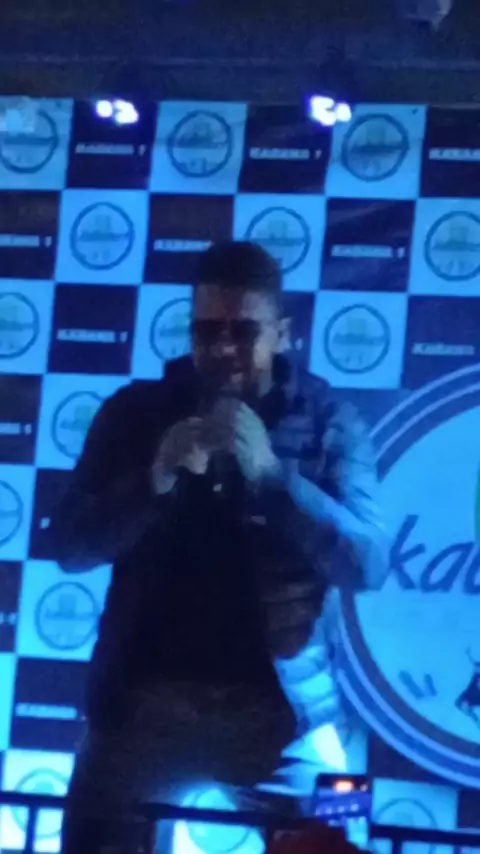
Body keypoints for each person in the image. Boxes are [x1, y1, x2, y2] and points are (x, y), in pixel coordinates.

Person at [49, 241, 388, 854]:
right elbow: (69, 548)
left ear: (282, 334)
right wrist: (152, 480)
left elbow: (369, 565)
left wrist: (274, 479)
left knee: (348, 835)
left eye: (244, 331)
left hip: (288, 713)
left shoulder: (331, 418)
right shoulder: (136, 411)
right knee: (86, 841)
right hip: (143, 706)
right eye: (207, 330)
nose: (224, 347)